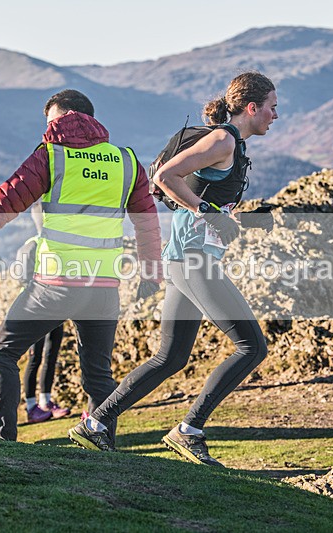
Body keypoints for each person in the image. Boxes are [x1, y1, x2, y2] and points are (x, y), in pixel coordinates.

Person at [0, 89, 163, 442]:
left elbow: (3, 205)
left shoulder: (52, 157)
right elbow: (147, 223)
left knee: (2, 353)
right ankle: (102, 443)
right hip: (103, 287)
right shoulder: (126, 161)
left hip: (55, 285)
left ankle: (3, 439)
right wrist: (150, 273)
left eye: (50, 121)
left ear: (63, 117)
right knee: (98, 374)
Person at [69, 72, 277, 467]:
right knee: (252, 346)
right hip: (192, 258)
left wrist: (244, 218)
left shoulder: (232, 143)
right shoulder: (223, 139)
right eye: (272, 107)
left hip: (188, 256)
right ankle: (189, 430)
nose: (275, 115)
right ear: (252, 107)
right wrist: (206, 212)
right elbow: (165, 179)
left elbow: (206, 200)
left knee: (171, 357)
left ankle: (96, 424)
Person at [15, 235, 70, 423]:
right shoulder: (32, 244)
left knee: (51, 355)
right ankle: (31, 407)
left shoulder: (60, 242)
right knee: (35, 357)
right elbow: (23, 277)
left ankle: (45, 402)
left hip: (57, 306)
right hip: (35, 308)